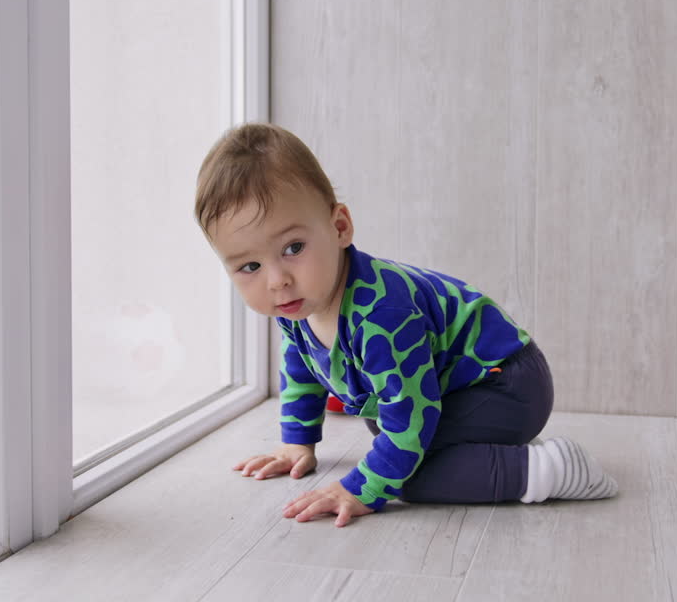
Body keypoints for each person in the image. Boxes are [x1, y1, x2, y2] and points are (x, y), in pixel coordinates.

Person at [194, 122, 617, 527]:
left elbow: (409, 426)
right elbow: (303, 368)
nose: (276, 280)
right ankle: (484, 451)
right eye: (249, 266)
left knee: (405, 475)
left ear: (340, 227)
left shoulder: (381, 316)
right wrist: (296, 442)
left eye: (293, 247)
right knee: (387, 436)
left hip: (507, 384)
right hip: (462, 387)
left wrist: (360, 491)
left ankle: (546, 469)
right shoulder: (301, 304)